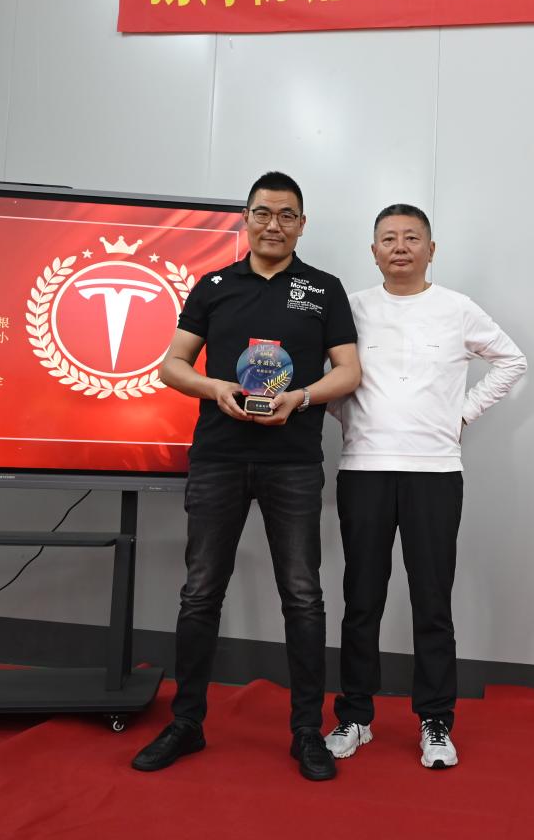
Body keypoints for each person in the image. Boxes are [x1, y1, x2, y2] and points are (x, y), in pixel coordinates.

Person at [131, 171, 360, 781]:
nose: (273, 225)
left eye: (287, 215)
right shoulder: (213, 286)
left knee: (303, 596)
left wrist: (301, 398)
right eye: (263, 213)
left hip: (293, 462)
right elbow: (172, 366)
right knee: (200, 591)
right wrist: (215, 388)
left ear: (302, 225)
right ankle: (187, 722)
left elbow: (349, 372)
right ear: (246, 218)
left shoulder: (324, 289)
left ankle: (307, 731)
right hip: (219, 457)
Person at [325, 203, 527, 770]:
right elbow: (327, 377)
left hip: (435, 472)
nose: (400, 247)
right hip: (364, 468)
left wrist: (462, 413)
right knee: (361, 598)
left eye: (412, 238)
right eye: (388, 238)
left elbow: (512, 361)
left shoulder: (457, 309)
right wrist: (351, 416)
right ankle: (355, 716)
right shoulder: (353, 309)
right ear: (373, 251)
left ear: (431, 250)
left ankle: (436, 721)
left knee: (432, 601)